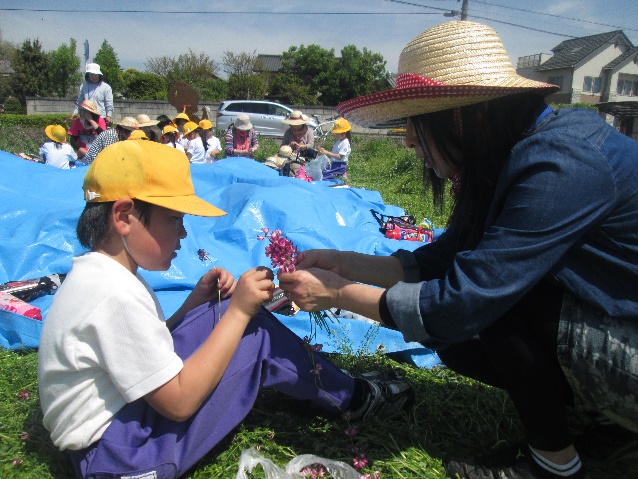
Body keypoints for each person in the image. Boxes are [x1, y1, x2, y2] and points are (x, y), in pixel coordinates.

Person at [277, 20, 638, 479]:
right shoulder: (516, 154)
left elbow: (467, 299)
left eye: (416, 122)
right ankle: (609, 425)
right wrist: (344, 263)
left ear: (463, 115)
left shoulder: (560, 164)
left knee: (496, 305)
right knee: (459, 334)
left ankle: (554, 465)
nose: (408, 138)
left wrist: (336, 293)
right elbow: (444, 259)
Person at [37, 140, 414, 478]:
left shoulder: (100, 274)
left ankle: (326, 383)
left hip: (117, 428)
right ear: (123, 217)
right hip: (120, 456)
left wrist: (195, 304)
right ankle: (354, 398)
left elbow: (138, 350)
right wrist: (239, 312)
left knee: (218, 316)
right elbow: (179, 404)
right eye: (175, 219)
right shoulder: (114, 294)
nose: (184, 233)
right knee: (254, 336)